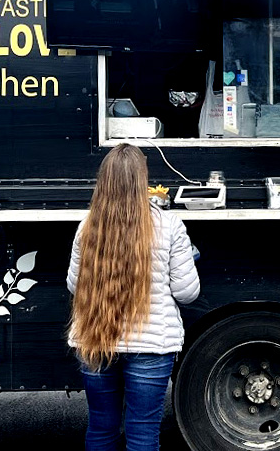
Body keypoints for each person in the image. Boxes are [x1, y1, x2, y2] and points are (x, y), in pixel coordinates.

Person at [66, 143, 201, 451]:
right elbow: (186, 292)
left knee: (101, 426)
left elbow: (76, 286)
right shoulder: (169, 226)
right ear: (143, 180)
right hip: (151, 345)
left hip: (97, 339)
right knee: (142, 432)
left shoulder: (87, 227)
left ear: (104, 181)